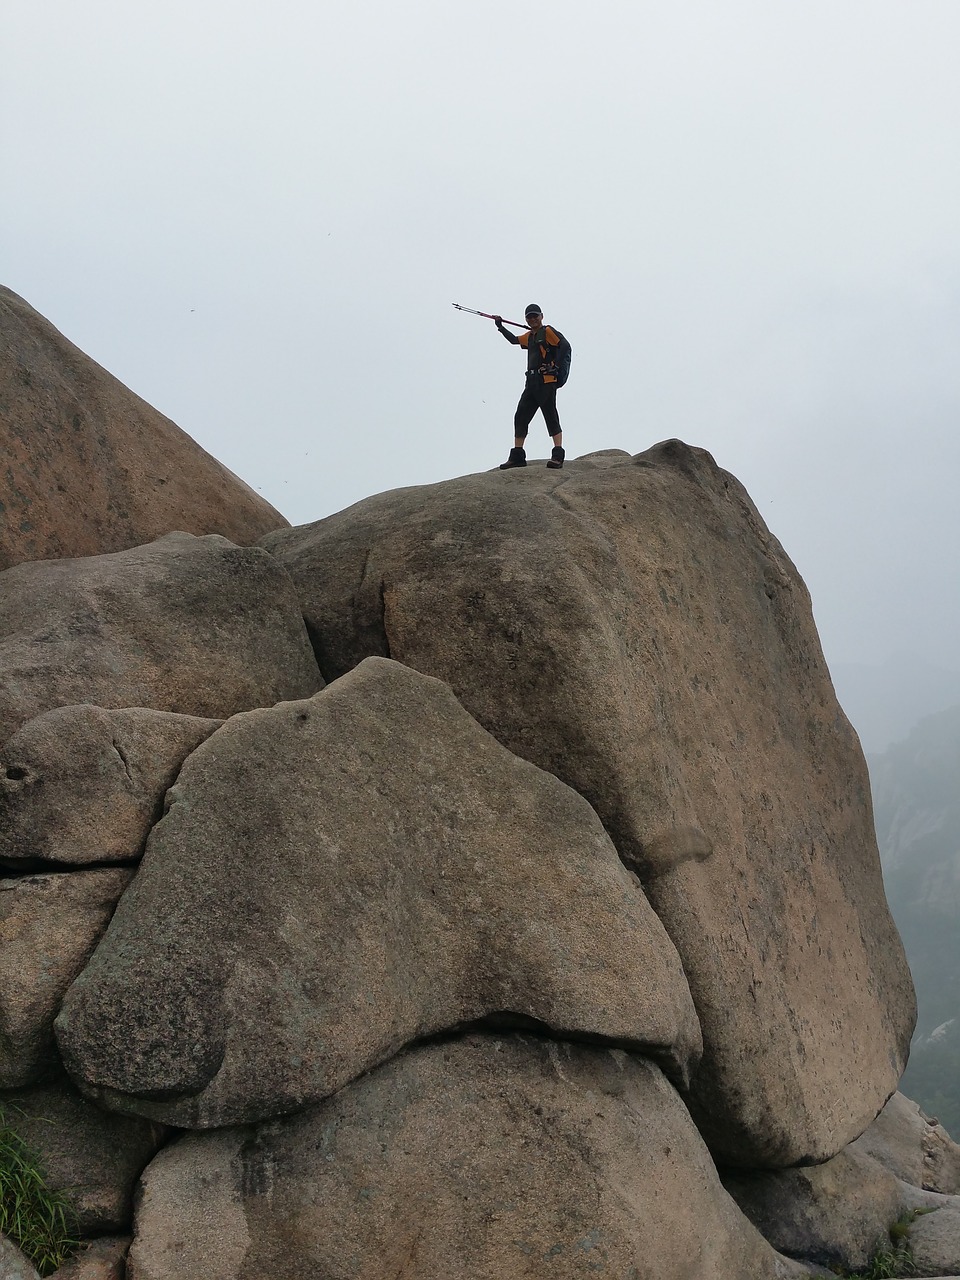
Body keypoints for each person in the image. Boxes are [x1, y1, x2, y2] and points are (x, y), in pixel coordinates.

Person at [493, 304, 565, 470]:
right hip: (531, 382)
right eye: (529, 317)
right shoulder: (530, 336)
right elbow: (514, 340)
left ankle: (558, 455)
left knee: (550, 414)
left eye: (535, 316)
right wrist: (500, 326)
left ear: (541, 316)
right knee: (521, 415)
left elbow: (565, 345)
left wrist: (556, 366)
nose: (532, 319)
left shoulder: (547, 332)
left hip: (546, 380)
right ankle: (517, 455)